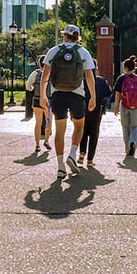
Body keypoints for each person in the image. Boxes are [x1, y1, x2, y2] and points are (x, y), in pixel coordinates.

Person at [40, 24, 96, 179]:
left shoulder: (54, 50)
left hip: (58, 94)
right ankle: (72, 154)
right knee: (79, 126)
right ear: (77, 37)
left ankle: (60, 166)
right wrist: (93, 97)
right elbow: (90, 77)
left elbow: (45, 76)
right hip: (77, 94)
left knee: (60, 130)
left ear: (64, 35)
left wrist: (43, 95)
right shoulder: (83, 52)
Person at [112, 56, 137, 157]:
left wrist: (115, 107)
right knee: (135, 126)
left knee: (125, 127)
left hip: (125, 105)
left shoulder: (122, 78)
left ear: (125, 68)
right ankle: (133, 141)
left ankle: (127, 150)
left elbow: (118, 93)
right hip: (136, 106)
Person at [79, 64, 112, 167]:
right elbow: (108, 93)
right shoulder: (100, 81)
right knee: (94, 134)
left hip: (83, 109)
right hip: (97, 110)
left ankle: (82, 152)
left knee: (83, 131)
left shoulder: (81, 81)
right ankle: (90, 160)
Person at [26, 56, 53, 153]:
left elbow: (28, 86)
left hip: (37, 100)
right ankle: (46, 140)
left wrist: (33, 89)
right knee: (48, 122)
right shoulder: (51, 73)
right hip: (48, 101)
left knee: (38, 123)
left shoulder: (35, 73)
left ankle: (37, 145)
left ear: (38, 64)